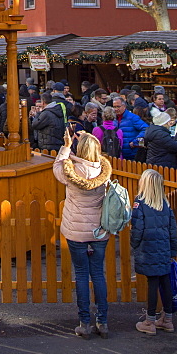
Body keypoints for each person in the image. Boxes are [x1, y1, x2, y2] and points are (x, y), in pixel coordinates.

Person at [53, 129, 112, 337]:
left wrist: (67, 146)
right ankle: (102, 321)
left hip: (76, 230)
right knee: (98, 274)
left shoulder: (72, 171)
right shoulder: (103, 171)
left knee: (81, 275)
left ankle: (85, 322)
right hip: (98, 231)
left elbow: (57, 166)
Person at [131, 169, 177, 334]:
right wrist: (173, 250)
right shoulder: (165, 204)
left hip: (148, 249)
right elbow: (173, 229)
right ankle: (168, 319)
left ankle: (150, 321)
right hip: (164, 249)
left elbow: (137, 229)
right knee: (165, 282)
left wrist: (134, 244)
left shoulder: (140, 203)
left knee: (152, 283)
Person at [30, 86, 69, 153]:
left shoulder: (46, 113)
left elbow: (35, 125)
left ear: (43, 102)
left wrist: (37, 114)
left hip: (48, 145)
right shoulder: (57, 109)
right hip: (57, 142)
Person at [112, 96, 149, 161]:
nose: (116, 109)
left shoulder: (132, 118)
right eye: (114, 107)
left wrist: (136, 142)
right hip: (118, 154)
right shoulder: (113, 119)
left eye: (118, 106)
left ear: (124, 106)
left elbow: (146, 129)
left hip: (131, 155)